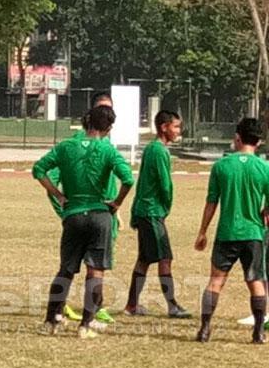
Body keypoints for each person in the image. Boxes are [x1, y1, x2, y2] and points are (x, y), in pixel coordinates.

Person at [32, 105, 134, 339]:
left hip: (74, 214)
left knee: (66, 269)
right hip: (100, 215)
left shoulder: (67, 147)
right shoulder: (107, 150)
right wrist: (117, 202)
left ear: (86, 122)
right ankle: (86, 325)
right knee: (95, 271)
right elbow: (128, 179)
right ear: (108, 128)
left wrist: (58, 194)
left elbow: (38, 169)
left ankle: (51, 320)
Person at [193, 118, 269, 344]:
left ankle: (205, 328)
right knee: (256, 281)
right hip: (253, 233)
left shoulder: (221, 166)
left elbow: (211, 202)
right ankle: (258, 331)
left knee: (215, 281)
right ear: (259, 141)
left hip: (227, 232)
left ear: (237, 137)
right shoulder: (264, 168)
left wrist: (202, 231)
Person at [51, 92, 117, 325]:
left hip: (102, 213)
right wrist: (61, 205)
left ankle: (90, 312)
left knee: (93, 267)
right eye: (103, 110)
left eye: (109, 111)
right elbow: (51, 173)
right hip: (89, 213)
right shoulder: (75, 144)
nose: (106, 115)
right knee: (87, 267)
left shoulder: (107, 145)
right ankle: (73, 314)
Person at [124, 111, 191, 318]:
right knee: (165, 258)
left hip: (144, 210)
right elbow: (165, 185)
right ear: (164, 127)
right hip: (152, 212)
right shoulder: (159, 151)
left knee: (144, 259)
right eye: (176, 127)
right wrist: (166, 207)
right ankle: (172, 305)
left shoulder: (151, 149)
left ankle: (131, 305)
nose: (178, 131)